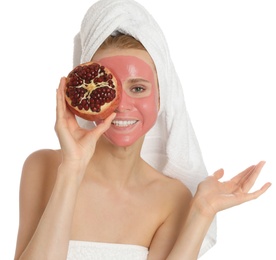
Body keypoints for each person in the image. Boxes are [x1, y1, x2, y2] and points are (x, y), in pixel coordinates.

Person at [14, 0, 271, 259]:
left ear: (161, 98)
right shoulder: (44, 167)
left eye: (138, 88)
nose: (122, 105)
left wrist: (203, 211)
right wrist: (72, 169)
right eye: (108, 89)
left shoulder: (172, 198)